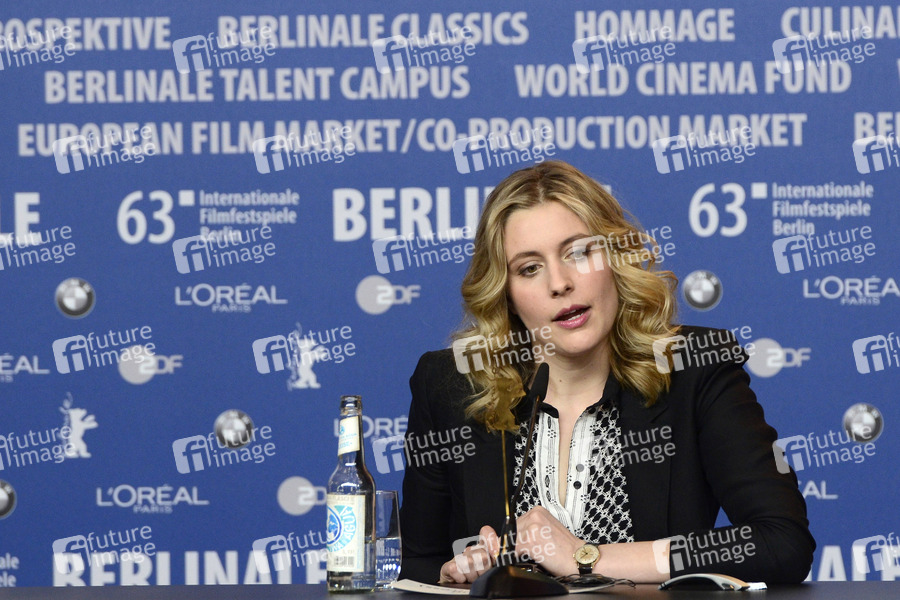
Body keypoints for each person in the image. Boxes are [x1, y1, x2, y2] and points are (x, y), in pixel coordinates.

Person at [398, 161, 814, 585]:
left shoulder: (693, 368)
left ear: (616, 257)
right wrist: (456, 573)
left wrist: (586, 557)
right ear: (505, 293)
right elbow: (417, 565)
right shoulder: (451, 384)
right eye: (529, 268)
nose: (559, 283)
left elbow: (781, 542)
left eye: (578, 252)